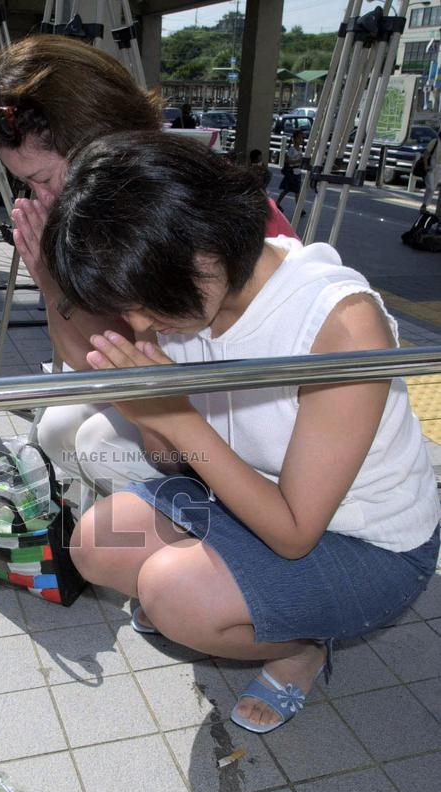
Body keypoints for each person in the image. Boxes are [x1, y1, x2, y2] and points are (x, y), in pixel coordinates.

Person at [39, 131, 440, 735]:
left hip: (365, 542)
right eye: (131, 308)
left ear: (204, 244)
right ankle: (233, 602)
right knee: (98, 541)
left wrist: (175, 414)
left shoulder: (338, 324)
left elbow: (294, 533)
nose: (143, 323)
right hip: (237, 498)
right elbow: (173, 462)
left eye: (148, 303)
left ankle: (298, 648)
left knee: (175, 595)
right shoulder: (186, 297)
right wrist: (153, 415)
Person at [0, 35, 297, 493]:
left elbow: (129, 365)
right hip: (191, 403)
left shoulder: (179, 216)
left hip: (253, 424)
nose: (41, 198)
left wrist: (58, 283)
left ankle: (187, 538)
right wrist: (52, 283)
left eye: (43, 179)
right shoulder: (122, 207)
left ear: (99, 145)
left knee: (97, 442)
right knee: (60, 429)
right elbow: (101, 358)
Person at [276, 129, 304, 213]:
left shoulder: (300, 149)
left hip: (297, 172)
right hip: (292, 172)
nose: (301, 140)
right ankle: (278, 203)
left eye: (302, 138)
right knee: (288, 189)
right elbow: (287, 160)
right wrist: (297, 162)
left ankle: (299, 208)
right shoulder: (292, 149)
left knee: (295, 191)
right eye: (299, 138)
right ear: (294, 139)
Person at [420, 128, 441, 218]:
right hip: (431, 167)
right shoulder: (435, 142)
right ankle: (424, 205)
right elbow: (426, 154)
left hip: (439, 168)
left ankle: (424, 206)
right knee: (431, 187)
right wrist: (425, 166)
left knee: (433, 187)